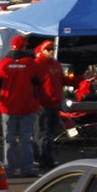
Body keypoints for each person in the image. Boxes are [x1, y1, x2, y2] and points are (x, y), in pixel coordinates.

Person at [0, 35, 41, 177]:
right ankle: (27, 169)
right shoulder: (31, 64)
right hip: (27, 106)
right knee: (26, 140)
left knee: (9, 140)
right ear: (24, 47)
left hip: (8, 107)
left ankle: (9, 169)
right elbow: (38, 82)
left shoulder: (3, 64)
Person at [32, 39, 64, 169]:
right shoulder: (37, 65)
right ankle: (42, 160)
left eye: (53, 49)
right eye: (49, 49)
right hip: (43, 105)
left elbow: (63, 80)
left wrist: (81, 78)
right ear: (42, 51)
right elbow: (32, 87)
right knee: (42, 134)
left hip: (54, 104)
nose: (52, 51)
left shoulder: (56, 64)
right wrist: (36, 103)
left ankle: (46, 158)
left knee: (51, 133)